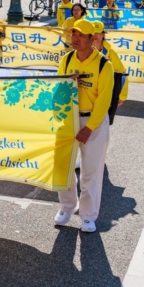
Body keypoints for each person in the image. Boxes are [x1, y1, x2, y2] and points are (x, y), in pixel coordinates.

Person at [55, 19, 114, 234]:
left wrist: (88, 127)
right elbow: (57, 88)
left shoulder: (103, 64)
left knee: (91, 171)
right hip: (68, 119)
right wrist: (67, 84)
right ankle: (68, 207)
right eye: (73, 35)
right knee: (63, 166)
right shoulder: (67, 59)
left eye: (81, 35)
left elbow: (104, 100)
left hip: (93, 123)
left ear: (92, 39)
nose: (76, 39)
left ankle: (88, 216)